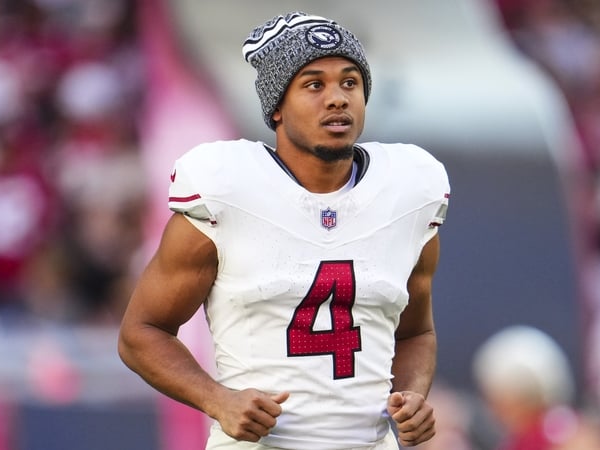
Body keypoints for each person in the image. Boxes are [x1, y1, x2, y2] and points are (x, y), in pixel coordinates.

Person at [118, 11, 450, 450]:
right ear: (276, 106)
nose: (337, 99)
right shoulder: (226, 189)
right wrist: (218, 399)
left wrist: (410, 396)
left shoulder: (408, 192)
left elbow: (416, 333)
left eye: (350, 83)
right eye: (315, 85)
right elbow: (141, 332)